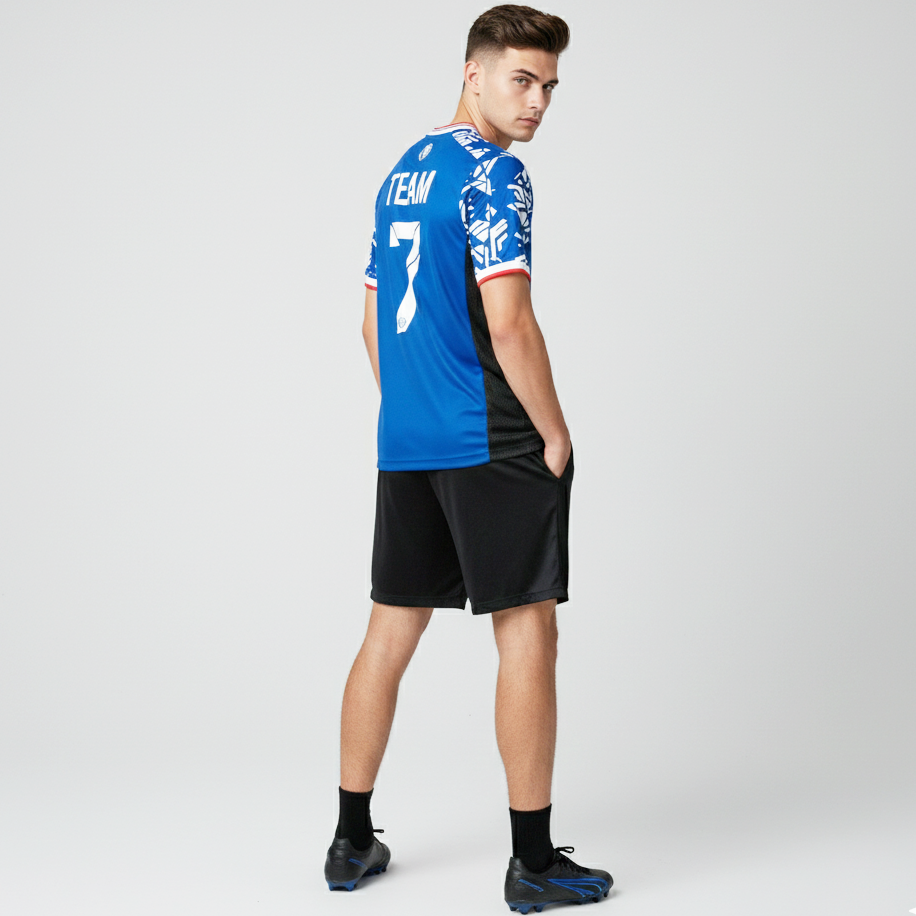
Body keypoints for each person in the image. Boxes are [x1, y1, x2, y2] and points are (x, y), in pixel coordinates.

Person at [324, 4, 612, 911]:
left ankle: (349, 841)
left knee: (389, 629)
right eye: (522, 80)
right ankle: (533, 862)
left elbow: (370, 321)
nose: (537, 103)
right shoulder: (496, 174)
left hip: (408, 438)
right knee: (528, 631)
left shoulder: (401, 174)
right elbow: (510, 321)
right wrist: (554, 433)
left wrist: (412, 409)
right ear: (472, 73)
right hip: (490, 434)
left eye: (550, 87)